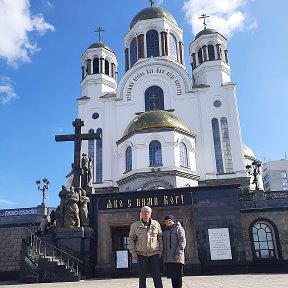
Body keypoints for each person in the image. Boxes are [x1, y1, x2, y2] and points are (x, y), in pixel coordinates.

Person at [128, 206, 163, 288]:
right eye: (143, 212)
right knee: (142, 276)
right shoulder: (134, 225)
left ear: (150, 214)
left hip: (154, 253)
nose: (146, 213)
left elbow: (160, 238)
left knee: (156, 275)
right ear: (141, 213)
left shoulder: (156, 224)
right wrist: (133, 251)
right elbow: (131, 239)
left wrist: (161, 250)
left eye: (147, 212)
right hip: (141, 254)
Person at [163, 215, 186, 288]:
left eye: (169, 220)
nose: (168, 222)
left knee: (177, 276)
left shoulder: (179, 228)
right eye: (166, 221)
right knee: (173, 276)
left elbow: (182, 241)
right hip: (168, 258)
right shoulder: (165, 231)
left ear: (173, 221)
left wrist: (178, 252)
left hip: (176, 256)